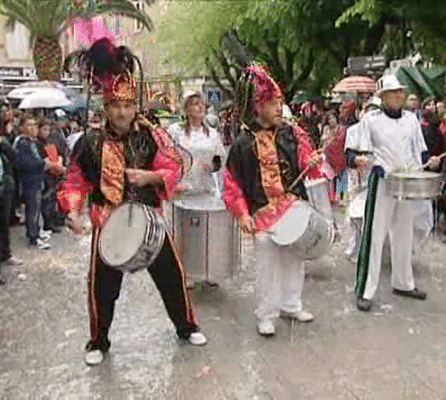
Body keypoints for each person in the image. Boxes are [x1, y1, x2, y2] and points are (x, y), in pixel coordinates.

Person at [58, 38, 207, 366]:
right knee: (102, 287)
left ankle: (186, 326)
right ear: (106, 108)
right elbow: (74, 181)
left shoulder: (151, 135)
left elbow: (175, 166)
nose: (123, 112)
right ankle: (98, 340)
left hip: (149, 219)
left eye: (127, 105)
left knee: (172, 276)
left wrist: (150, 178)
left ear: (135, 106)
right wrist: (73, 210)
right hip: (106, 222)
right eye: (116, 106)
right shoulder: (89, 142)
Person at [223, 63, 323, 336]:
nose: (279, 108)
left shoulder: (291, 133)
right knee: (267, 267)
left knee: (295, 258)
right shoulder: (243, 144)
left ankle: (292, 304)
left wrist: (312, 161)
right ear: (258, 108)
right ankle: (266, 314)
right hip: (262, 214)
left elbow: (306, 162)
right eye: (273, 103)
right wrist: (242, 213)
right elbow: (232, 185)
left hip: (292, 207)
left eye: (280, 102)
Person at [349, 75, 429, 312]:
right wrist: (371, 163)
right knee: (374, 236)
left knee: (404, 233)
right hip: (382, 182)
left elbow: (420, 149)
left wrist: (427, 161)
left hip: (407, 181)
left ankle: (403, 282)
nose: (397, 96)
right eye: (393, 93)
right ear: (382, 96)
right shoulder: (370, 120)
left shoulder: (412, 120)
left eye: (399, 92)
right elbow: (358, 152)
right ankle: (365, 289)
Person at [167, 91, 226, 288]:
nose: (200, 107)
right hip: (183, 188)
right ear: (186, 109)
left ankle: (208, 269)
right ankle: (185, 271)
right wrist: (173, 180)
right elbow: (166, 158)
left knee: (207, 230)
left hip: (205, 187)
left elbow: (218, 159)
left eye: (202, 104)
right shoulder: (175, 132)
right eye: (194, 104)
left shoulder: (213, 134)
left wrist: (214, 167)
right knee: (184, 232)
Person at [14, 115, 52, 250]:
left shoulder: (33, 142)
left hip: (37, 179)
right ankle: (33, 237)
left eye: (34, 125)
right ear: (21, 127)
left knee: (37, 207)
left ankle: (37, 230)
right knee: (32, 209)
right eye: (29, 125)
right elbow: (24, 164)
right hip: (28, 181)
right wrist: (42, 163)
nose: (33, 128)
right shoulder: (21, 143)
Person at [0, 120, 23, 284]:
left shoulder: (4, 142)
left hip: (4, 188)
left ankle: (5, 254)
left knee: (3, 225)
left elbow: (15, 158)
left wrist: (4, 143)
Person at [38, 118, 66, 233]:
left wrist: (59, 163)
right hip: (45, 175)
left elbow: (58, 154)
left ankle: (52, 220)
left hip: (54, 174)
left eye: (48, 130)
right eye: (44, 129)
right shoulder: (38, 143)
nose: (46, 132)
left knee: (52, 199)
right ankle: (47, 223)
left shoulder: (50, 141)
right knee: (47, 200)